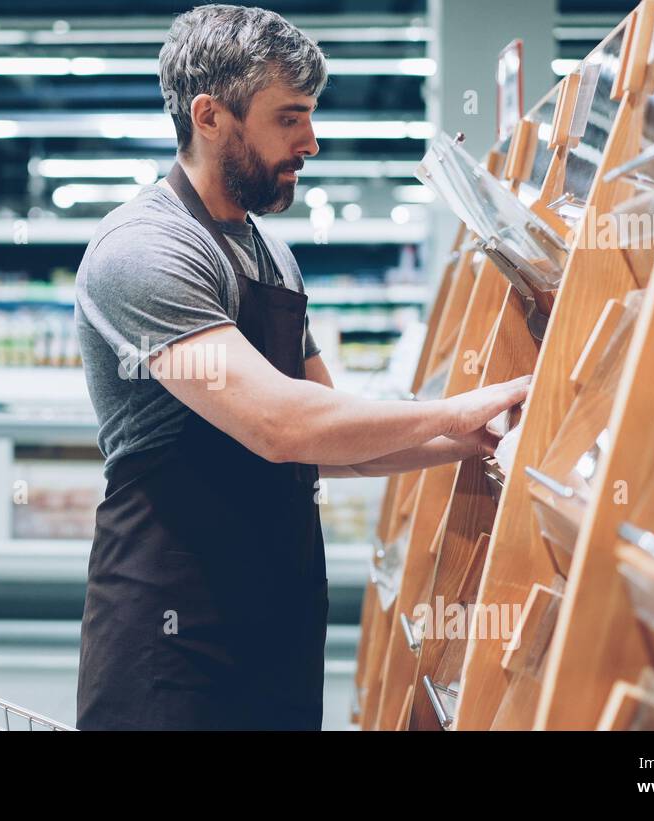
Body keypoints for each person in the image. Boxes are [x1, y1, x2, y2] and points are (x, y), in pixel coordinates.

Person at [73, 4, 530, 731]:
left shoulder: (270, 254)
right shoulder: (143, 250)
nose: (310, 141)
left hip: (275, 627)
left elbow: (331, 444)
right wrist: (461, 406)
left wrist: (482, 438)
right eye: (289, 117)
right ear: (210, 115)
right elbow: (280, 423)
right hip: (172, 637)